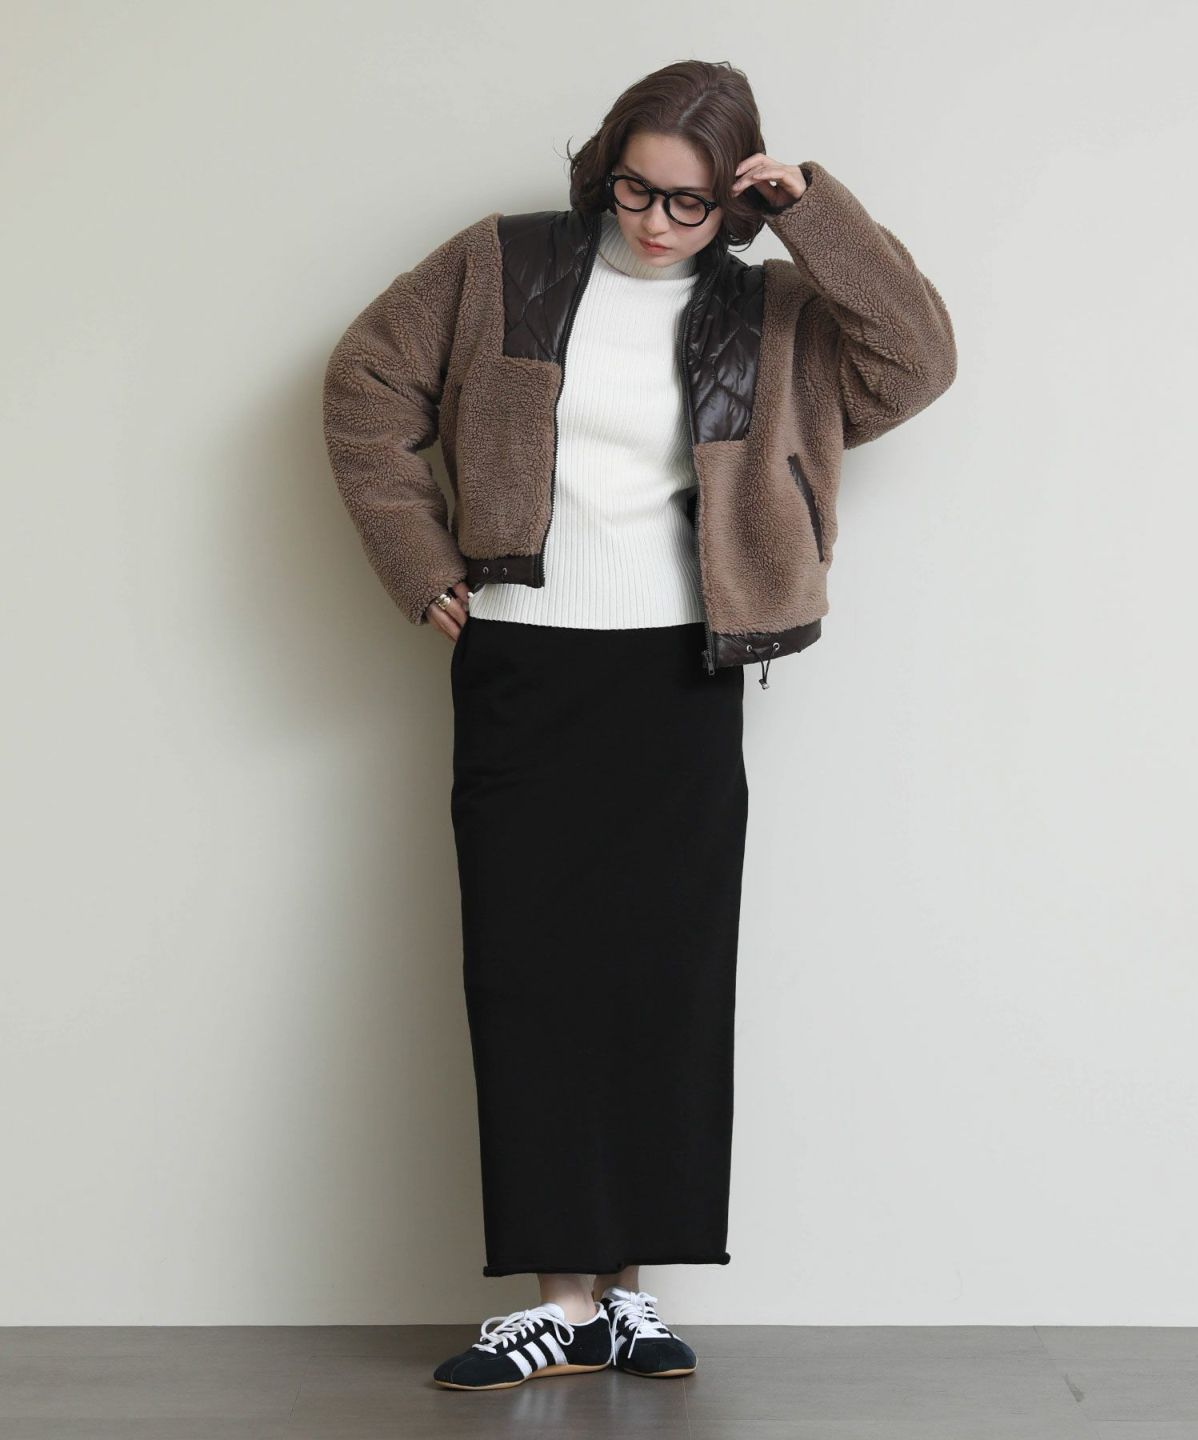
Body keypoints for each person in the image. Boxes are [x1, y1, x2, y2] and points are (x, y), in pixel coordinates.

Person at [322, 60, 956, 1393]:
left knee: (667, 979)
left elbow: (917, 359)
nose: (657, 224)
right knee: (529, 974)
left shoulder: (769, 307)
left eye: (690, 202)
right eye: (636, 189)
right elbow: (366, 382)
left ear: (737, 196)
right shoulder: (501, 266)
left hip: (685, 665)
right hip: (523, 658)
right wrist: (416, 558)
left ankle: (630, 1298)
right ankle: (557, 1302)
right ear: (603, 167)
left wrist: (814, 212)